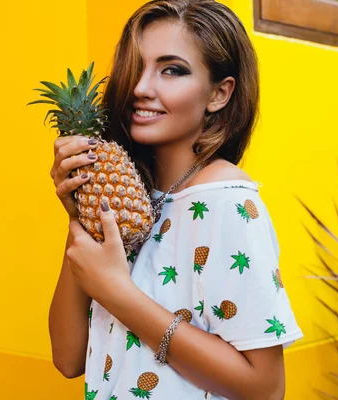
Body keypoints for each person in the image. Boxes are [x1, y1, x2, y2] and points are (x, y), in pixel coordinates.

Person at [48, 1, 303, 398]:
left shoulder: (225, 202)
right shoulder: (129, 196)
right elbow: (68, 358)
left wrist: (121, 295)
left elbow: (265, 389)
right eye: (136, 67)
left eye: (172, 70)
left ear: (219, 93)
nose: (140, 88)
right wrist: (81, 217)